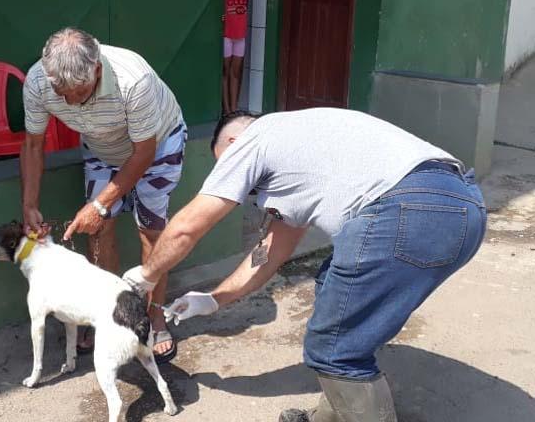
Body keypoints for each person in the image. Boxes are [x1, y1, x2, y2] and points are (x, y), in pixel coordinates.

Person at [123, 108, 487, 421]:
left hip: (403, 210)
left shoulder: (254, 140)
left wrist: (145, 276)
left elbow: (186, 228)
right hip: (465, 210)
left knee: (334, 350)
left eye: (225, 165)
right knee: (334, 294)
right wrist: (214, 300)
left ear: (233, 145)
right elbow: (270, 252)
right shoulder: (302, 146)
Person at [21, 27, 186, 363]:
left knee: (152, 232)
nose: (69, 102)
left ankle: (154, 317)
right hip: (101, 147)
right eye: (61, 94)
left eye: (79, 93)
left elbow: (143, 153)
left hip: (157, 146)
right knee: (98, 229)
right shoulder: (38, 81)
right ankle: (108, 314)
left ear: (96, 70)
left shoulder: (133, 80)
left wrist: (99, 204)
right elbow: (33, 145)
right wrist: (29, 204)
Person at [222, 0, 250, 114]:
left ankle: (234, 108)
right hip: (227, 36)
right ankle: (227, 110)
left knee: (235, 73)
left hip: (240, 36)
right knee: (225, 72)